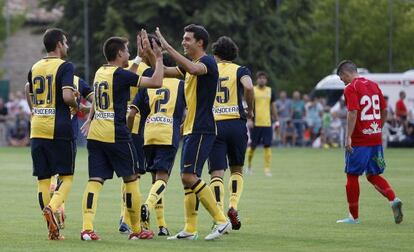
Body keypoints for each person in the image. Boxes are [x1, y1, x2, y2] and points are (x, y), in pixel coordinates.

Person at [79, 31, 164, 241]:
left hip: (96, 134)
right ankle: (136, 229)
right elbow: (156, 82)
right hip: (116, 134)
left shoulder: (101, 72)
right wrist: (159, 58)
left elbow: (125, 77)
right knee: (131, 179)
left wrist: (137, 57)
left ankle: (87, 228)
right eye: (126, 51)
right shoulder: (121, 75)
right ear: (119, 53)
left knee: (95, 180)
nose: (128, 54)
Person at [156, 24, 232, 240]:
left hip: (202, 128)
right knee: (186, 179)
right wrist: (153, 56)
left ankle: (221, 220)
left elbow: (193, 69)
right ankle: (190, 229)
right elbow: (166, 73)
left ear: (200, 43)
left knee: (190, 176)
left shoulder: (206, 62)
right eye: (182, 38)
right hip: (190, 129)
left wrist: (167, 46)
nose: (184, 42)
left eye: (187, 39)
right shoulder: (191, 65)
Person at [335, 60, 403, 224]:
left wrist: (348, 137)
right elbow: (385, 110)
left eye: (341, 78)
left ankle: (353, 217)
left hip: (359, 140)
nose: (342, 81)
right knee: (373, 175)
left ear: (345, 73)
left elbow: (353, 112)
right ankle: (393, 199)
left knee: (352, 175)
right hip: (375, 138)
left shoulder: (351, 88)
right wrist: (378, 128)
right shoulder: (374, 85)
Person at [27, 28, 79, 240]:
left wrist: (36, 110)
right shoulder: (66, 66)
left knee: (43, 179)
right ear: (58, 44)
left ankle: (52, 228)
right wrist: (76, 104)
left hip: (37, 128)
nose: (66, 46)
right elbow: (67, 97)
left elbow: (28, 91)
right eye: (65, 42)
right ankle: (52, 208)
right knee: (66, 177)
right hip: (59, 128)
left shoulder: (35, 67)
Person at [128, 53, 185, 237]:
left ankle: (161, 225)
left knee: (155, 180)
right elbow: (190, 110)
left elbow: (132, 113)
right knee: (162, 178)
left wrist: (129, 133)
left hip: (149, 135)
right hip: (168, 134)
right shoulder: (181, 85)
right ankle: (148, 205)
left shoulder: (149, 85)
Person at [207, 36, 254, 231]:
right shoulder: (239, 70)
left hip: (214, 124)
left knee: (216, 173)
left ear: (216, 53)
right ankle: (233, 206)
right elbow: (249, 87)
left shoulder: (209, 69)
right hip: (235, 123)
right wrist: (249, 110)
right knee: (236, 169)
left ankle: (218, 216)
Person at [245, 71, 277, 176]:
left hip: (267, 123)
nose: (262, 80)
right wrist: (249, 119)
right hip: (255, 123)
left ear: (266, 80)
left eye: (263, 78)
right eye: (260, 78)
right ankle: (248, 167)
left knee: (267, 146)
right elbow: (248, 105)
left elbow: (273, 106)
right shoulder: (252, 90)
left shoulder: (270, 91)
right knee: (252, 146)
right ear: (256, 80)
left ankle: (267, 169)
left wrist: (276, 118)